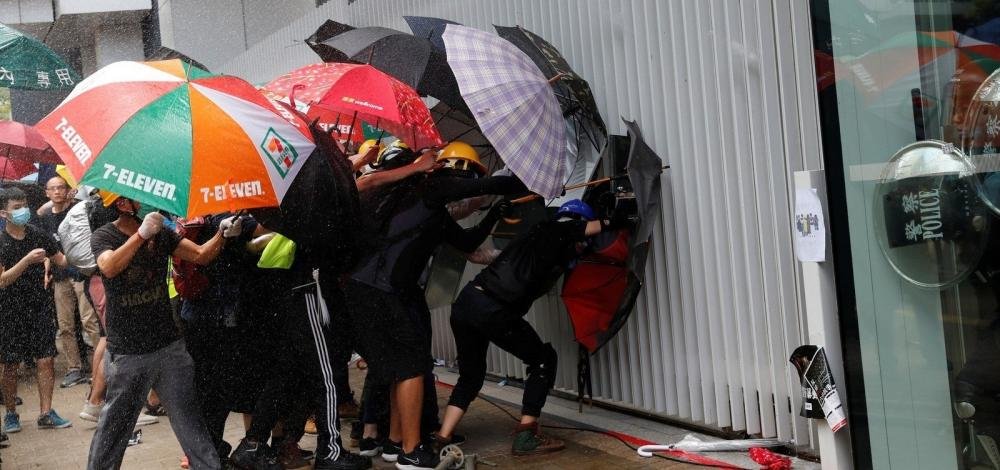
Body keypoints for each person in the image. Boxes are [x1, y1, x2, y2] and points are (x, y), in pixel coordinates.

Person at [344, 140, 525, 469]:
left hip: (365, 291)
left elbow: (467, 243)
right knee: (413, 366)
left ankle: (396, 442)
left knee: (401, 369)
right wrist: (529, 179)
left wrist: (494, 214)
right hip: (382, 291)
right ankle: (413, 452)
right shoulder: (429, 187)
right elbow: (491, 184)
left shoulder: (413, 204)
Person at [436, 199, 608, 456]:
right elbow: (578, 230)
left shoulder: (531, 243)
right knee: (543, 360)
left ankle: (442, 436)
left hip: (467, 304)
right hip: (493, 309)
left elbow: (485, 257)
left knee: (471, 375)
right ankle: (526, 434)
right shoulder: (554, 231)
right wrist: (613, 220)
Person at [86, 194, 236, 470]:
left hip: (170, 348)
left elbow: (201, 255)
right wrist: (141, 236)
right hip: (128, 352)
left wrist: (223, 234)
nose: (147, 204)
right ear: (122, 204)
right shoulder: (104, 235)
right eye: (140, 200)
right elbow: (108, 267)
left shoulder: (162, 231)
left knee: (191, 421)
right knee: (115, 427)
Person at [0, 187, 73, 433]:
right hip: (9, 309)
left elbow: (62, 259)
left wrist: (76, 242)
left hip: (40, 306)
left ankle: (46, 412)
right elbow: (2, 280)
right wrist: (26, 261)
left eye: (24, 205)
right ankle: (11, 413)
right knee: (10, 364)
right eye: (16, 207)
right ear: (3, 213)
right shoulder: (1, 242)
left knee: (46, 360)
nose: (23, 211)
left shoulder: (38, 234)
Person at [37, 176, 100, 388]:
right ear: (46, 193)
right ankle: (74, 368)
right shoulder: (45, 219)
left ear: (68, 190)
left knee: (89, 322)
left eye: (61, 188)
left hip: (81, 274)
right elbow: (48, 248)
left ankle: (100, 367)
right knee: (65, 325)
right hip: (60, 277)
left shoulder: (79, 212)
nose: (57, 192)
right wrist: (47, 266)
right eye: (52, 189)